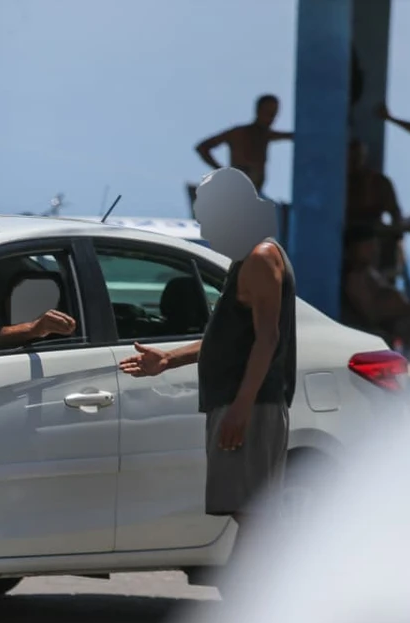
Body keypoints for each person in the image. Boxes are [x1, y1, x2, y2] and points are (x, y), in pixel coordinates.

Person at [119, 168, 296, 555]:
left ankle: (266, 587)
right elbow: (231, 339)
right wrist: (168, 359)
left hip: (252, 406)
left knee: (255, 514)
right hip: (238, 403)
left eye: (207, 216)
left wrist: (241, 408)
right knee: (248, 512)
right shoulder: (244, 259)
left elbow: (267, 339)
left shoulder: (260, 258)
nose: (203, 227)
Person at [341, 225, 410, 357]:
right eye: (367, 246)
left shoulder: (370, 272)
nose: (373, 250)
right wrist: (406, 309)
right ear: (353, 249)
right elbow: (372, 315)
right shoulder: (355, 278)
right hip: (394, 325)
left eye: (374, 245)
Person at [196, 95, 294, 196]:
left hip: (254, 194)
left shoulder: (267, 135)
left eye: (273, 114)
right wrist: (222, 170)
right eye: (268, 113)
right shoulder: (238, 133)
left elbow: (291, 136)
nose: (271, 118)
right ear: (258, 111)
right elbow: (202, 148)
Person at [346, 138, 404, 277]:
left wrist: (396, 236)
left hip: (374, 236)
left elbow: (395, 214)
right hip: (346, 237)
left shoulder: (378, 183)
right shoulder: (336, 184)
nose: (354, 161)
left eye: (358, 157)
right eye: (351, 157)